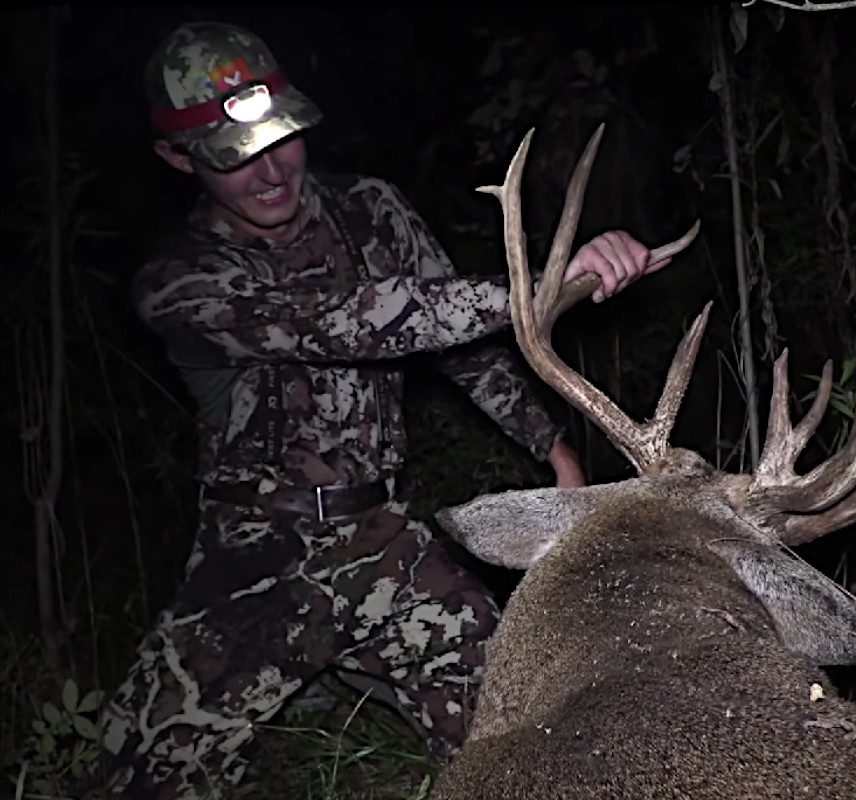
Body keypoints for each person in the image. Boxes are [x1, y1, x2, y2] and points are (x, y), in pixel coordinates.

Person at [94, 20, 668, 799]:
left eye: (281, 141)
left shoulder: (373, 211)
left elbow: (455, 347)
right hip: (258, 558)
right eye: (235, 159)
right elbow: (358, 320)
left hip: (387, 544)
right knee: (139, 778)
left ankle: (347, 678)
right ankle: (313, 677)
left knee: (531, 741)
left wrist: (551, 446)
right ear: (177, 158)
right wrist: (549, 282)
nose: (269, 173)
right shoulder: (179, 281)